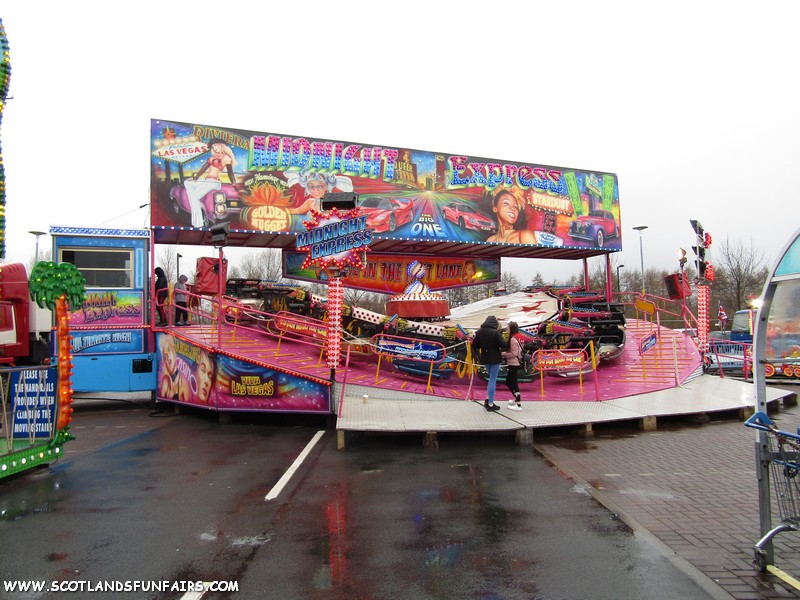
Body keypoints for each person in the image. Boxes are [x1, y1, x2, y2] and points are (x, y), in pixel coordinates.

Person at [471, 315, 507, 411]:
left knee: (490, 379)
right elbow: (503, 345)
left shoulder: (479, 332)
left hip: (485, 359)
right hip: (495, 358)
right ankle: (490, 403)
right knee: (493, 380)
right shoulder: (495, 333)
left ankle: (487, 399)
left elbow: (475, 345)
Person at [502, 321, 524, 411]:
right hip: (518, 361)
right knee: (510, 381)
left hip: (513, 362)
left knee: (513, 382)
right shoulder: (520, 337)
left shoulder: (513, 339)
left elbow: (514, 353)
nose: (506, 330)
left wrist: (504, 354)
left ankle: (518, 403)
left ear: (511, 329)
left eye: (507, 328)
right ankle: (516, 399)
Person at [157, 334, 180, 399]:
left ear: (174, 353)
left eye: (169, 350)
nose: (167, 356)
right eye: (164, 355)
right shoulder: (166, 380)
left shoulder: (181, 379)